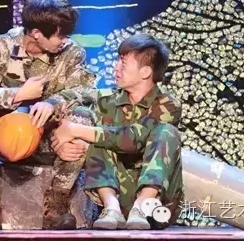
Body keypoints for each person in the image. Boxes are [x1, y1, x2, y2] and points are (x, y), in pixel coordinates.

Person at [0, 0, 97, 231]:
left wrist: (53, 103)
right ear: (37, 33)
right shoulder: (1, 46)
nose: (64, 40)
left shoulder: (72, 53)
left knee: (82, 119)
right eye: (59, 35)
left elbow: (87, 92)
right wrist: (17, 95)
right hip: (8, 138)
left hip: (50, 139)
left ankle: (56, 206)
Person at [51, 33, 183, 230]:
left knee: (166, 132)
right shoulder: (107, 100)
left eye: (123, 63)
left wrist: (76, 130)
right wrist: (59, 140)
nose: (116, 68)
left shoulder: (168, 105)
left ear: (145, 72)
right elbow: (74, 96)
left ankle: (142, 205)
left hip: (158, 206)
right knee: (98, 132)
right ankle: (111, 207)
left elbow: (133, 139)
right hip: (117, 199)